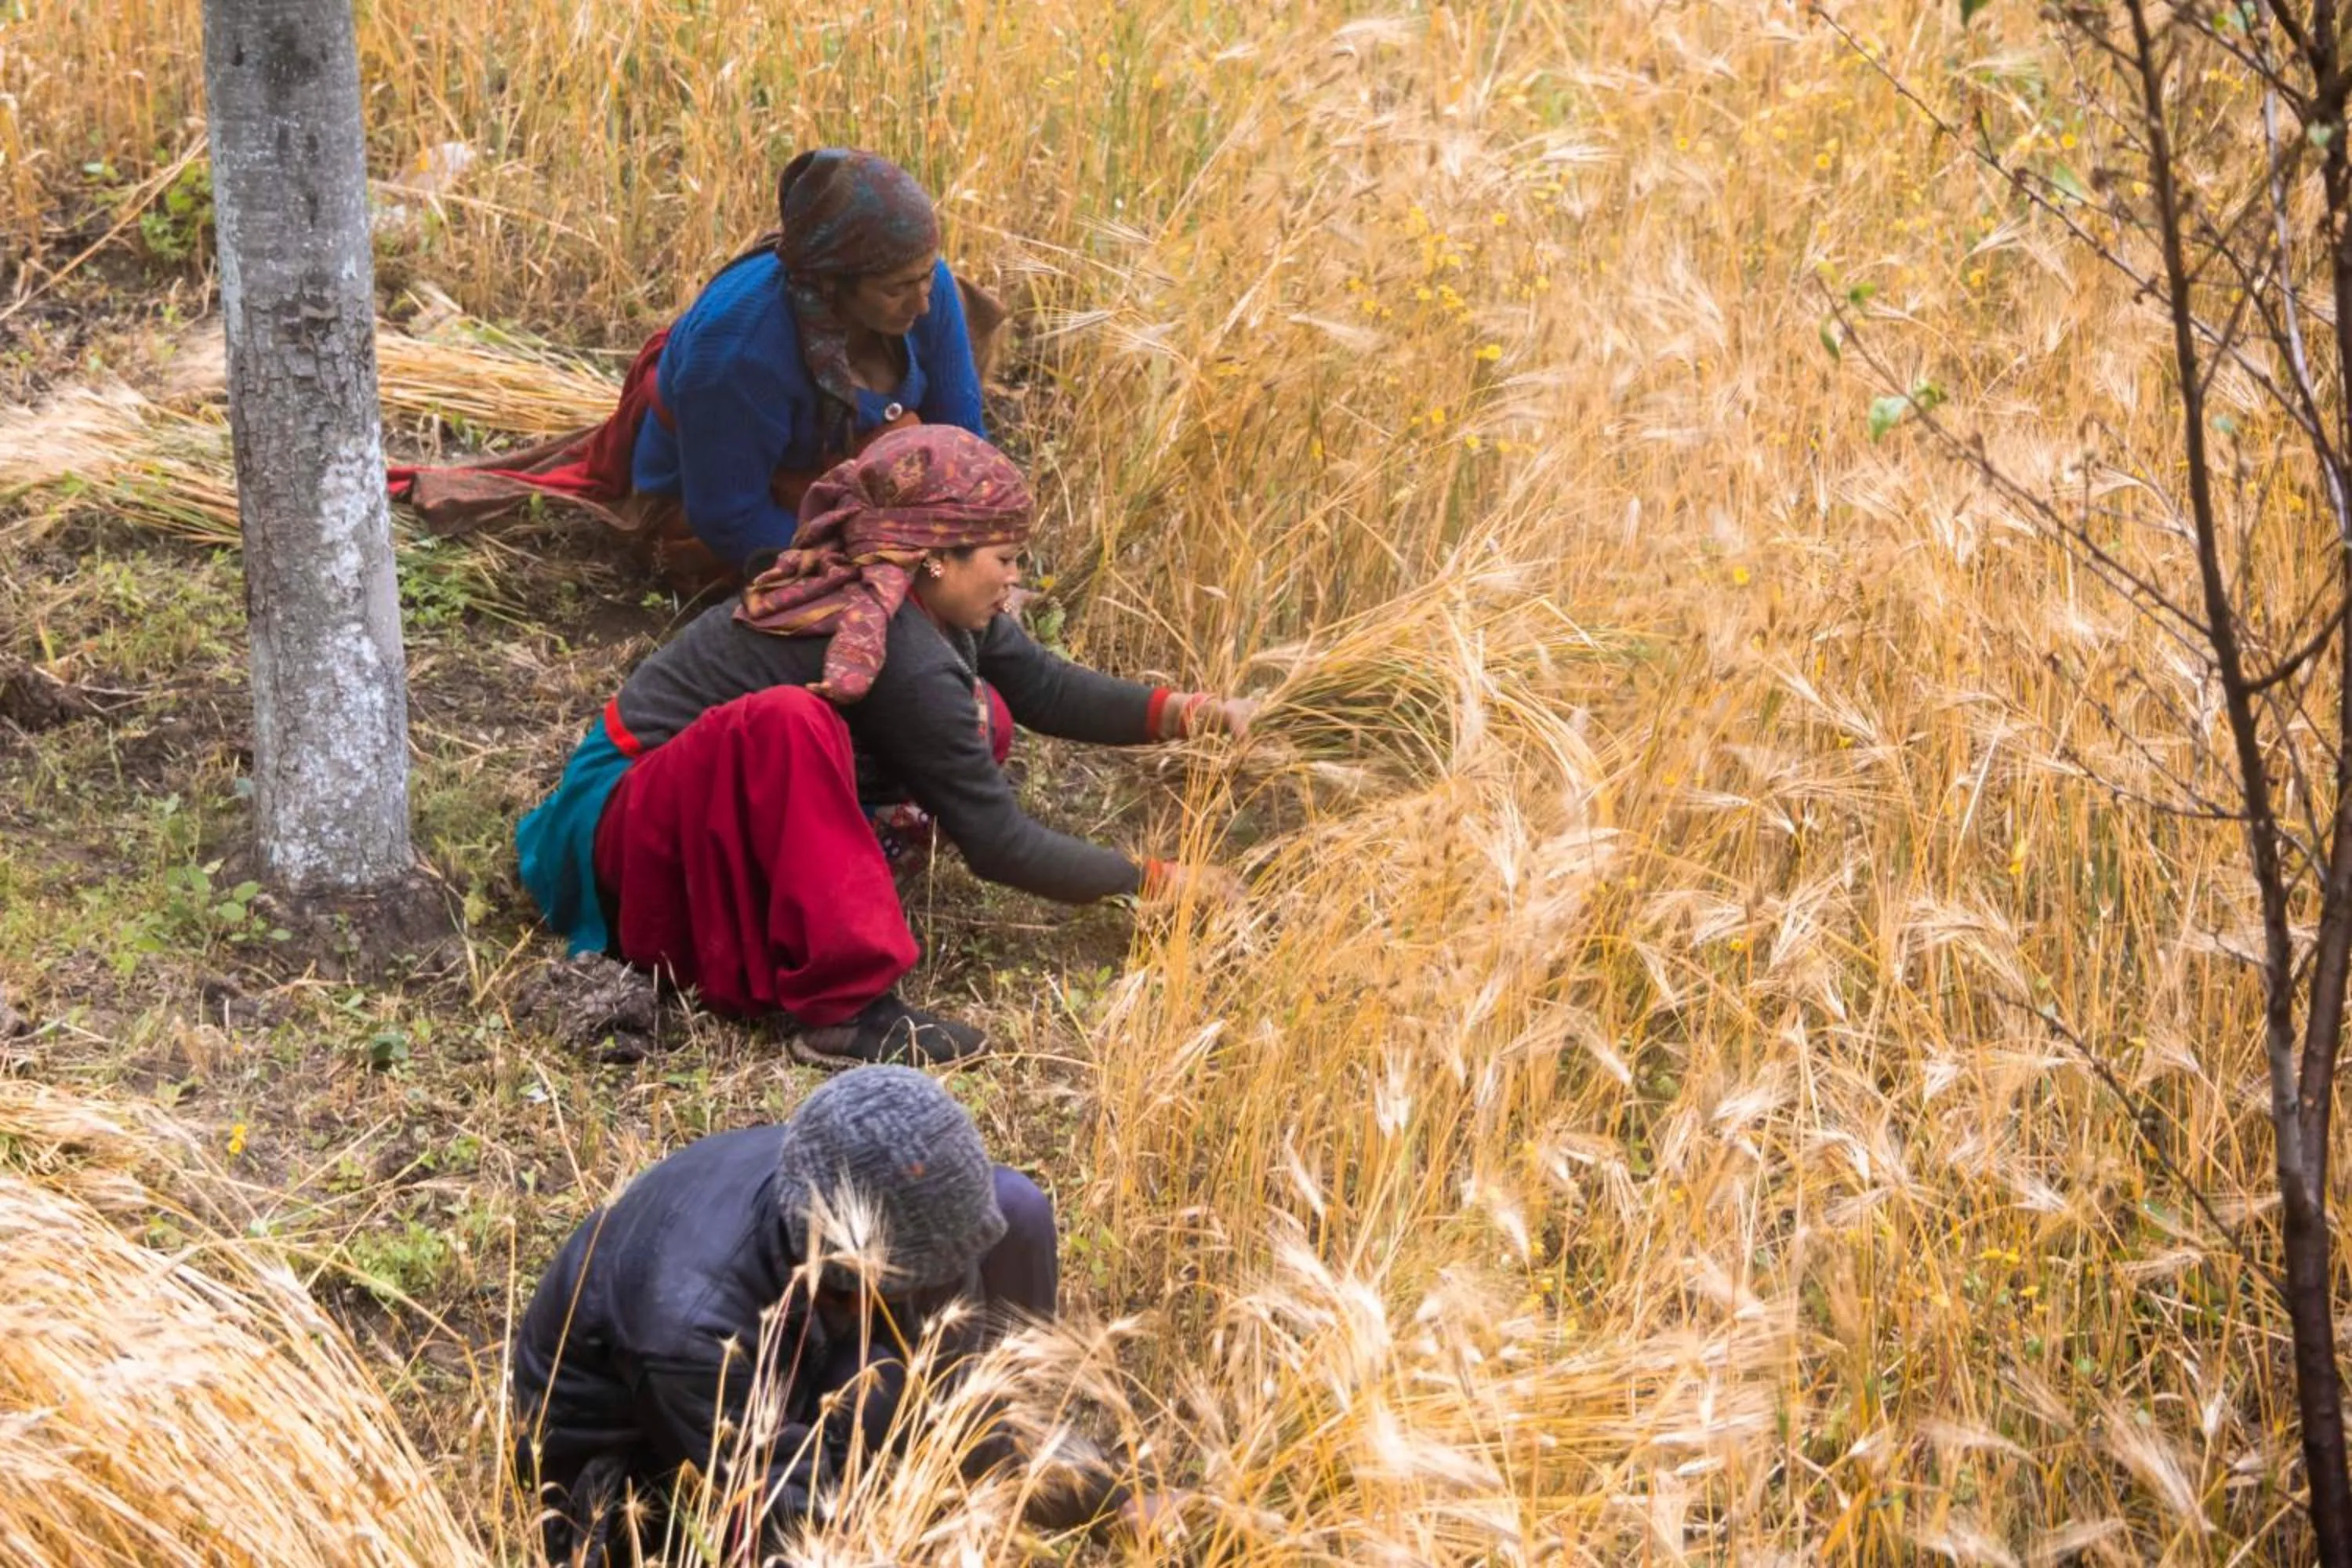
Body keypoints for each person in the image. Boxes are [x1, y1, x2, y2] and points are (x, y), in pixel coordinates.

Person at [515, 423, 1251, 1068]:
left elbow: (1043, 689)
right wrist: (1153, 882)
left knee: (982, 711)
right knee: (790, 725)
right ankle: (844, 1012)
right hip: (620, 831)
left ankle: (835, 877)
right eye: (1005, 557)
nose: (1017, 577)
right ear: (937, 557)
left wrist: (1187, 713)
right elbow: (997, 843)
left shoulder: (909, 588)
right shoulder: (897, 643)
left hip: (687, 807)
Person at [511, 1066, 1155, 1563]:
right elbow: (799, 1522)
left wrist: (1114, 1499)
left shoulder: (849, 1183)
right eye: (924, 1282)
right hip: (642, 1469)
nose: (958, 1291)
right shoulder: (691, 1331)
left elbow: (972, 1400)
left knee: (1017, 1208)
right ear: (856, 1282)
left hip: (794, 1344)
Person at [389, 147, 1004, 592]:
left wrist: (962, 539)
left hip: (834, 467)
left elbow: (962, 443)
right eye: (898, 288)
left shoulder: (926, 285)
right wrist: (875, 565)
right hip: (720, 495)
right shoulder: (739, 352)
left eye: (927, 277)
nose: (923, 302)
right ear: (831, 284)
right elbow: (728, 517)